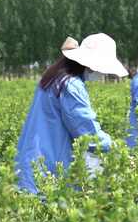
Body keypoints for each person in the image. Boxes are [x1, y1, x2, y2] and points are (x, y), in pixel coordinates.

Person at [15, 34, 128, 194]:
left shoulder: (56, 77)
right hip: (47, 164)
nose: (102, 74)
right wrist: (117, 148)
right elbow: (88, 134)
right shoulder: (71, 85)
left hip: (33, 157)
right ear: (91, 64)